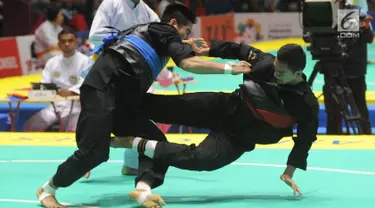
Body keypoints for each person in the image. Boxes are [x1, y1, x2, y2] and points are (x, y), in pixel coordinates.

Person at [36, 4, 251, 208]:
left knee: (157, 143)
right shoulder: (163, 30)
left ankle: (143, 189)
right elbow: (187, 64)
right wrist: (228, 68)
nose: (187, 37)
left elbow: (170, 48)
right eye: (186, 32)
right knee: (95, 152)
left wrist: (187, 45)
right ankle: (48, 189)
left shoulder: (158, 36)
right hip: (102, 88)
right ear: (174, 23)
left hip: (123, 100)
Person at [111, 41, 319, 207]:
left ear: (298, 74)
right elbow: (240, 49)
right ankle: (109, 104)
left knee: (202, 159)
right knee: (168, 106)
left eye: (281, 73)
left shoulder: (306, 104)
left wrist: (289, 171)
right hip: (225, 107)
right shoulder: (267, 63)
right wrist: (209, 49)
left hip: (237, 138)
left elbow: (305, 139)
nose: (275, 74)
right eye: (275, 69)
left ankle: (131, 142)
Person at [84, 0, 203, 177]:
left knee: (139, 118)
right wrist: (131, 39)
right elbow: (95, 35)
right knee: (101, 119)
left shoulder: (148, 13)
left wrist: (181, 43)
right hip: (109, 69)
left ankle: (132, 164)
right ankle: (86, 158)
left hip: (136, 73)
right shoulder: (111, 4)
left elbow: (161, 39)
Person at [24, 29, 90, 132]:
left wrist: (71, 91)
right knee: (32, 126)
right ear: (59, 44)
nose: (67, 44)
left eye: (70, 40)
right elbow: (44, 83)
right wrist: (52, 90)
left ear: (76, 42)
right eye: (63, 41)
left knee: (72, 130)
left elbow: (85, 82)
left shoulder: (85, 61)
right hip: (55, 103)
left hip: (75, 103)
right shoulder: (52, 62)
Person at [323, 4, 373, 134]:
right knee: (334, 106)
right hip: (335, 70)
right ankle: (333, 133)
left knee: (359, 105)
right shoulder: (328, 12)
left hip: (355, 71)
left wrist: (366, 27)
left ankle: (365, 134)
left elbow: (369, 38)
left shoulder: (355, 11)